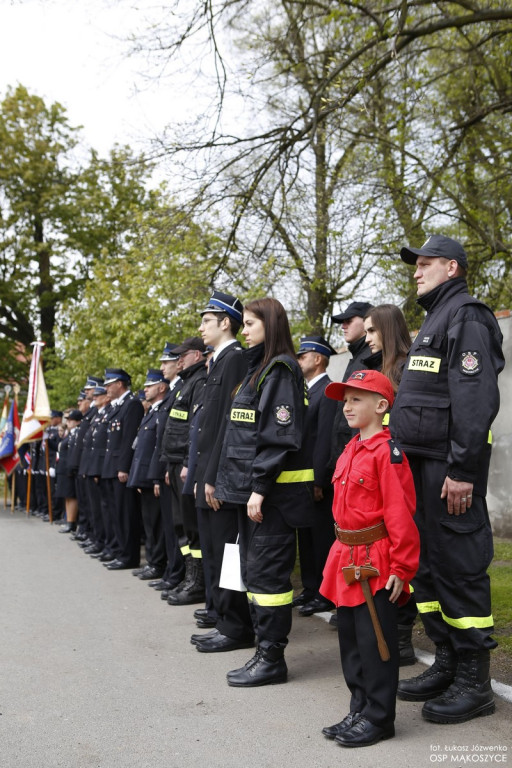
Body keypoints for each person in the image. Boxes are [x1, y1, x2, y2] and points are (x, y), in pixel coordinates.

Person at [389, 234, 504, 724]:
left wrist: (461, 470)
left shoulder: (467, 315)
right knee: (428, 571)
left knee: (458, 567)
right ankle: (449, 660)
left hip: (447, 471)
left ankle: (475, 682)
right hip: (421, 470)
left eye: (426, 263)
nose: (416, 271)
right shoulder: (435, 318)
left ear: (452, 268)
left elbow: (475, 401)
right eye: (416, 264)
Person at [214, 297, 314, 687]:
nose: (244, 330)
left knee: (269, 578)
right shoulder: (257, 372)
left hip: (272, 499)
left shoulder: (281, 371)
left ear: (270, 327)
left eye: (251, 323)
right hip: (252, 495)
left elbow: (277, 439)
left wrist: (258, 488)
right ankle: (263, 651)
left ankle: (272, 658)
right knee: (256, 573)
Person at [320, 370, 420, 748]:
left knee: (375, 641)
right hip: (346, 554)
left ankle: (379, 718)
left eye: (357, 399)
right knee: (351, 640)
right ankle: (359, 707)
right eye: (345, 400)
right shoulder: (350, 448)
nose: (347, 406)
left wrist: (402, 568)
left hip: (375, 561)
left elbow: (400, 514)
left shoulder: (387, 453)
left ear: (381, 406)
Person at [191, 290, 253, 653]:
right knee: (214, 550)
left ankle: (236, 626)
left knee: (227, 552)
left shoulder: (234, 360)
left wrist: (213, 476)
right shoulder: (218, 361)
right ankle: (221, 616)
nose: (201, 328)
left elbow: (228, 425)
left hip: (219, 476)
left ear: (225, 322)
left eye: (206, 320)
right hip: (206, 473)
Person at [362, 303, 417, 665]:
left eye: (371, 331)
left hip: (397, 472)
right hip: (380, 474)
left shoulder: (402, 369)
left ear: (387, 329)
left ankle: (402, 638)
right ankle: (397, 633)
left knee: (403, 555)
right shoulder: (381, 367)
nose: (367, 338)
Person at [294, 336, 338, 616]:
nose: (298, 361)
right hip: (301, 478)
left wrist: (319, 479)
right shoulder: (306, 391)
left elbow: (324, 439)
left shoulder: (328, 390)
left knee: (321, 537)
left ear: (318, 359)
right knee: (306, 537)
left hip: (316, 480)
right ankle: (310, 588)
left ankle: (324, 593)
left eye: (303, 356)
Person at [128, 369, 170, 581]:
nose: (145, 388)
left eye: (149, 385)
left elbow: (158, 447)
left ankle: (158, 563)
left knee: (156, 523)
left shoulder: (162, 411)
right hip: (144, 474)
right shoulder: (152, 412)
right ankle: (153, 562)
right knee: (149, 522)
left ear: (162, 387)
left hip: (153, 475)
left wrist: (155, 477)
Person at [101, 368, 144, 570]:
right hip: (112, 467)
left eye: (109, 384)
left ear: (120, 384)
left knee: (126, 514)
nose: (106, 388)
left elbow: (128, 439)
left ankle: (129, 556)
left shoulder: (132, 404)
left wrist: (123, 467)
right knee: (116, 513)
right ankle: (120, 551)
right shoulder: (118, 406)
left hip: (121, 468)